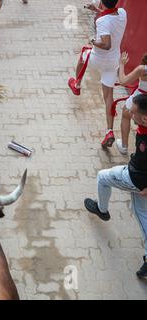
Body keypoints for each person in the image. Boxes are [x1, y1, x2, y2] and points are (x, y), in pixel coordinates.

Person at [84, 94, 147, 280]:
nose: (129, 114)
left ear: (144, 118)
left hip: (135, 178)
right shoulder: (144, 126)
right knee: (141, 213)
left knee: (102, 177)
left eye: (133, 113)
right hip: (140, 177)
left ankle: (102, 209)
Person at [68, 0, 127, 148]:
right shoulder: (123, 14)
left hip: (98, 59)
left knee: (83, 53)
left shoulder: (101, 21)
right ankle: (109, 131)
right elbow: (111, 16)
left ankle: (77, 84)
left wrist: (93, 40)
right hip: (113, 62)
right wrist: (97, 10)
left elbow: (106, 44)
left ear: (102, 2)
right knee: (108, 97)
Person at [115, 52, 147, 155]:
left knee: (126, 114)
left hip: (140, 97)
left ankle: (124, 146)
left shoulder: (142, 69)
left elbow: (123, 81)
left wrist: (121, 64)